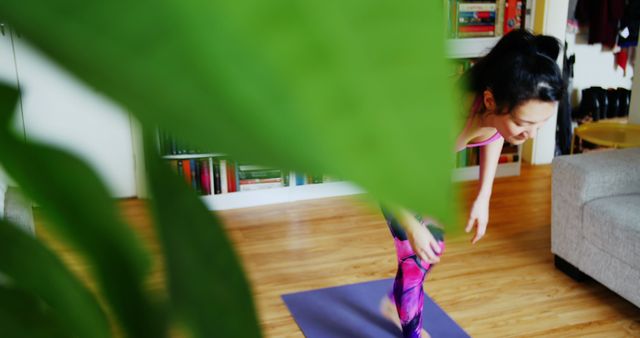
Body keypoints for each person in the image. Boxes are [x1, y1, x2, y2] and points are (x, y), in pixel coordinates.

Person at [379, 29, 564, 338]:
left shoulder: (491, 102)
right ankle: (409, 330)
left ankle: (393, 303)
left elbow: (494, 134)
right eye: (524, 124)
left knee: (431, 247)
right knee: (415, 257)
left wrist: (484, 196)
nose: (530, 135)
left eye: (540, 125)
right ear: (491, 100)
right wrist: (411, 225)